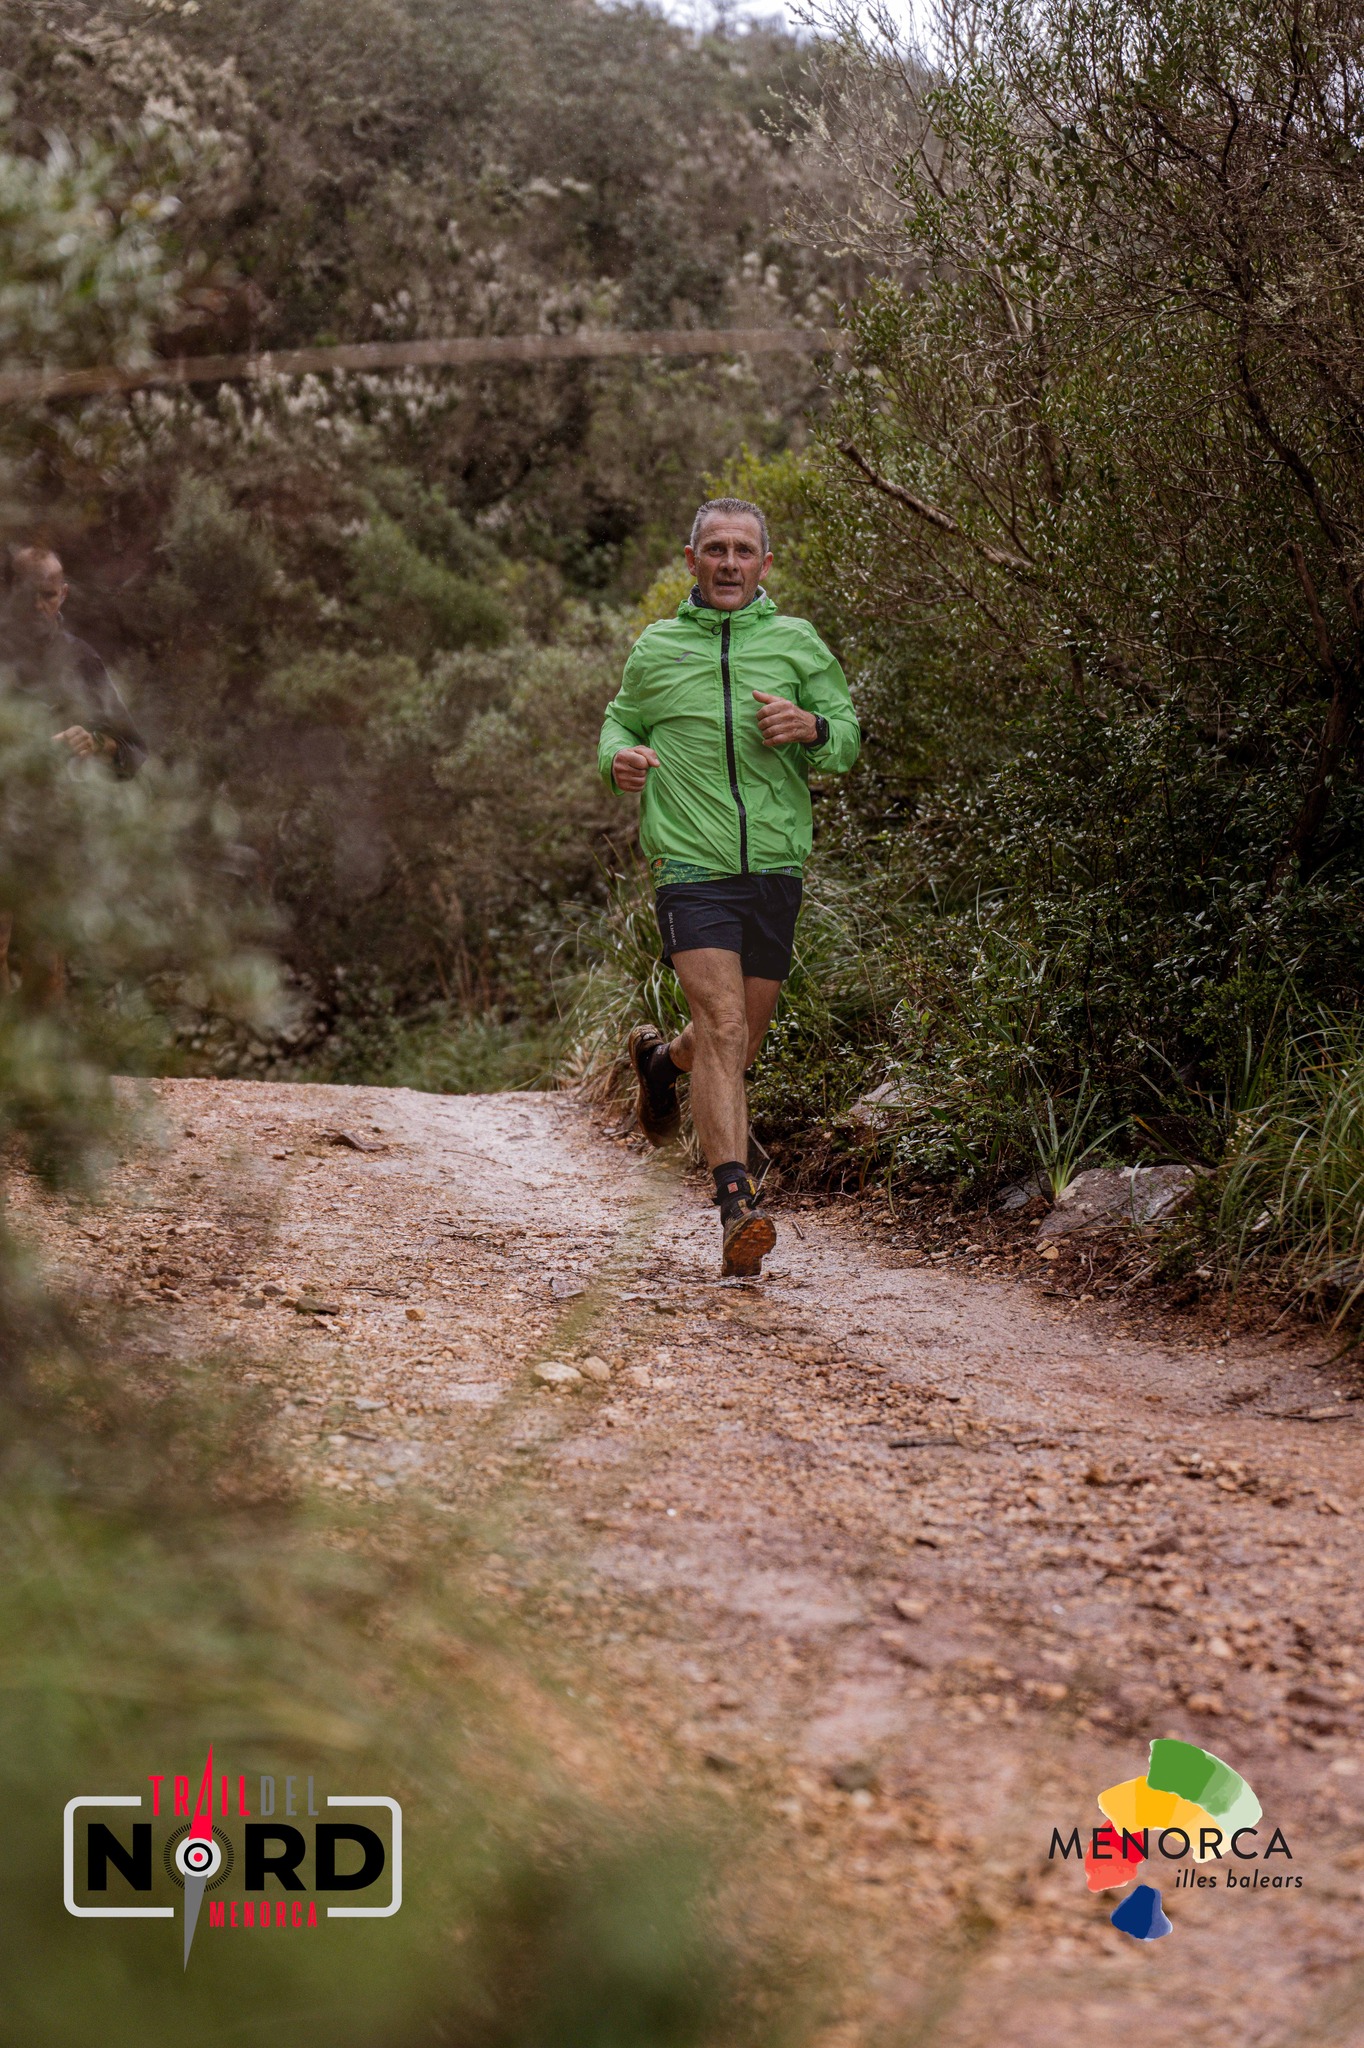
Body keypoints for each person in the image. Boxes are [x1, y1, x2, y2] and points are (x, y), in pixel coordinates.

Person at [598, 497, 860, 1276]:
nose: (729, 563)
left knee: (738, 1039)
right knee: (722, 1023)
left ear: (764, 565)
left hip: (774, 864)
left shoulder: (796, 643)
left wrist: (812, 728)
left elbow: (846, 737)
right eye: (715, 549)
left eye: (744, 551)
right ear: (692, 561)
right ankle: (735, 1208)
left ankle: (659, 1066)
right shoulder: (658, 648)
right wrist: (617, 759)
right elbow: (620, 721)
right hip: (689, 863)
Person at [0, 545, 148, 998]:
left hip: (53, 836)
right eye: (26, 594)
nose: (37, 606)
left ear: (63, 594)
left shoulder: (81, 660)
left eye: (47, 595)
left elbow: (133, 749)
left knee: (46, 964)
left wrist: (94, 743)